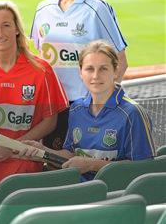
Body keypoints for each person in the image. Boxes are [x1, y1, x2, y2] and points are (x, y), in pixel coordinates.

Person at [0, 0, 68, 193]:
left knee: (10, 205)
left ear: (17, 29)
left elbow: (50, 122)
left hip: (24, 151)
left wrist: (12, 146)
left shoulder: (41, 70)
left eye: (6, 25)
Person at [30, 0, 128, 150]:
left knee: (83, 166)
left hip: (86, 106)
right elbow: (38, 61)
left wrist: (100, 107)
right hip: (51, 108)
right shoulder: (42, 9)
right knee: (51, 165)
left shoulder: (98, 8)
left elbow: (120, 61)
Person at [21, 41, 154, 181]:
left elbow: (142, 167)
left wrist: (92, 165)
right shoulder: (76, 109)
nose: (96, 75)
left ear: (115, 71)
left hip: (117, 195)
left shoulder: (132, 113)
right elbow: (72, 155)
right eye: (90, 69)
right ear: (80, 73)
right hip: (82, 192)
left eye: (103, 69)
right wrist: (41, 151)